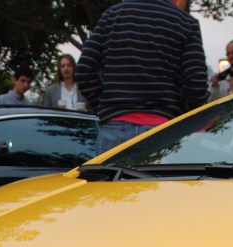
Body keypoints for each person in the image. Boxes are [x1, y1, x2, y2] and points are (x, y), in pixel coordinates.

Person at [76, 0, 208, 155]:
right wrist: (180, 117)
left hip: (114, 129)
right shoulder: (185, 22)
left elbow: (84, 70)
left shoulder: (112, 15)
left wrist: (107, 108)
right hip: (163, 129)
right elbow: (197, 87)